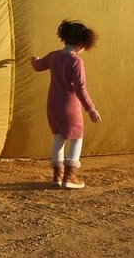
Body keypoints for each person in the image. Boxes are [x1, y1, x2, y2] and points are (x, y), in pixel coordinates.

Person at [30, 20, 102, 189]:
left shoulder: (54, 56)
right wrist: (90, 108)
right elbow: (80, 88)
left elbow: (38, 66)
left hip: (53, 104)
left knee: (58, 138)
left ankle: (57, 175)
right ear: (82, 43)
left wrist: (34, 60)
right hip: (70, 106)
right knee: (77, 139)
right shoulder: (76, 62)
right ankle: (70, 176)